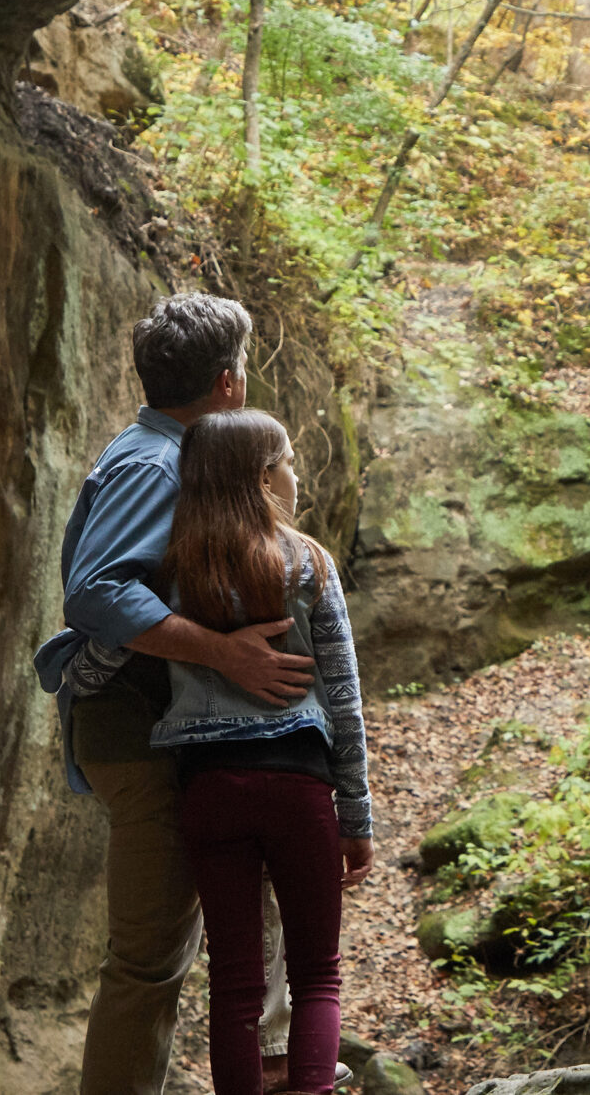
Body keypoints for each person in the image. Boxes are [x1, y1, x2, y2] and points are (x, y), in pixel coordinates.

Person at [35, 294, 315, 1095]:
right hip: (138, 732)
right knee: (150, 961)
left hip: (166, 732)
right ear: (228, 384)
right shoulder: (154, 464)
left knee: (207, 944)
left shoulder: (178, 457)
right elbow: (97, 593)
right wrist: (226, 655)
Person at [153, 408, 373, 1095]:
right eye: (288, 461)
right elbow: (343, 696)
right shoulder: (307, 562)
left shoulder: (170, 570)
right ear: (260, 477)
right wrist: (356, 814)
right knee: (316, 974)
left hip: (209, 794)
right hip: (296, 788)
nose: (297, 474)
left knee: (235, 986)